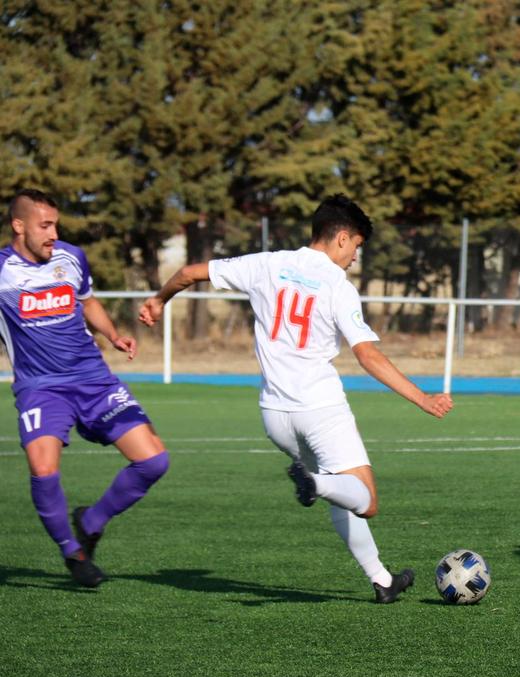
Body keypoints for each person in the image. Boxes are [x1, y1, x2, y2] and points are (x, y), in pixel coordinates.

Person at [138, 195, 453, 603]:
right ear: (341, 238)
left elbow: (188, 272)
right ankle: (315, 483)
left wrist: (159, 300)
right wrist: (421, 399)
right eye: (357, 245)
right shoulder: (338, 286)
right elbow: (367, 354)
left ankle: (382, 580)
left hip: (275, 415)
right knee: (366, 500)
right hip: (320, 408)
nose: (356, 256)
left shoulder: (266, 264)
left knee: (340, 491)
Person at [0, 189, 170, 587]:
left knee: (154, 461)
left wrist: (112, 335)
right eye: (45, 225)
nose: (53, 233)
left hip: (93, 379)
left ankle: (92, 521)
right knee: (43, 469)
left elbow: (88, 301)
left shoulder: (70, 257)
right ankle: (72, 553)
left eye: (56, 224)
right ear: (19, 226)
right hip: (41, 387)